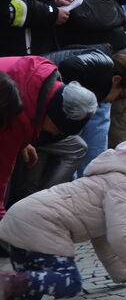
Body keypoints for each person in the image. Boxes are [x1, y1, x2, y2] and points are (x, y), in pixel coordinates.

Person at [0, 138, 126, 298]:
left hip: (19, 216)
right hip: (41, 222)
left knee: (27, 288)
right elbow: (121, 235)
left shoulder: (107, 181)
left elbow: (105, 238)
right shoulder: (122, 186)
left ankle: (7, 281)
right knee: (69, 283)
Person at [0, 56, 97, 220]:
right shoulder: (17, 116)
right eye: (59, 129)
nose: (56, 135)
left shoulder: (41, 76)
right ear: (54, 115)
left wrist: (24, 142)